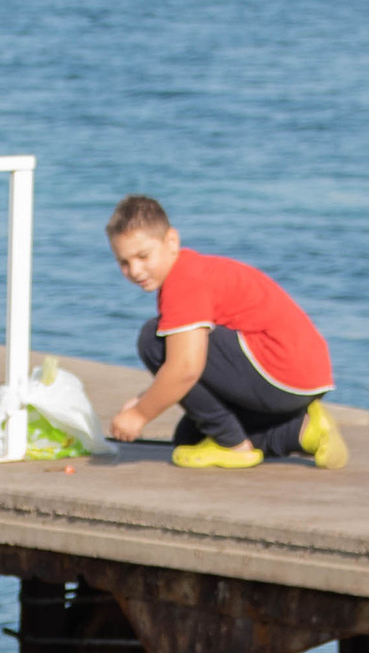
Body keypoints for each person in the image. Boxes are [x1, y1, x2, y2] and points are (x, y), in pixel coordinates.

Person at [102, 195, 350, 474]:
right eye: (123, 262)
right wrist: (147, 396)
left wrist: (140, 413)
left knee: (153, 339)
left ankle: (234, 446)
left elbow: (185, 368)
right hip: (304, 378)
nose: (135, 270)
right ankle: (302, 431)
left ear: (171, 241)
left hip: (280, 372)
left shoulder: (184, 281)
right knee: (189, 439)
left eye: (143, 256)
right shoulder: (195, 270)